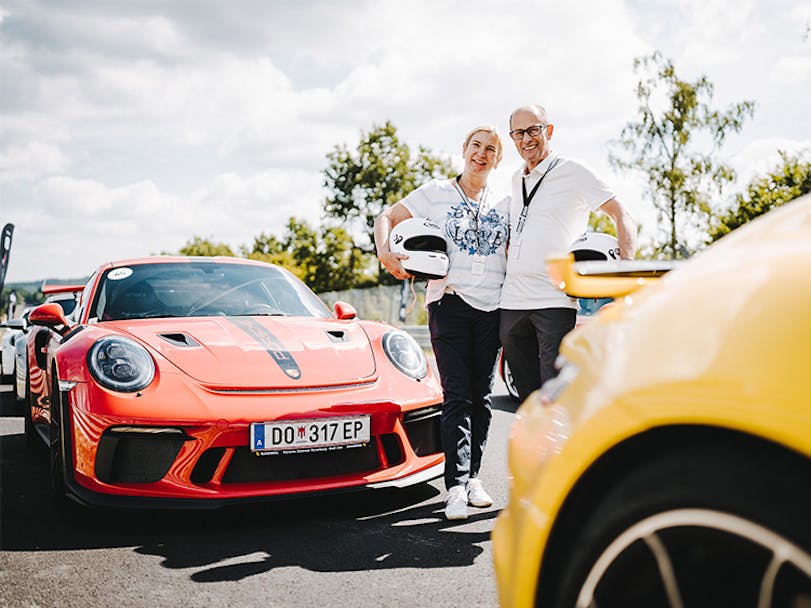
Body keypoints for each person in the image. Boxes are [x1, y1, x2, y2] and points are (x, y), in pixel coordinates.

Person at [374, 125, 510, 521]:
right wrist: (386, 253)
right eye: (476, 146)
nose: (481, 154)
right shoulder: (435, 193)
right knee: (456, 396)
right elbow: (388, 216)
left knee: (482, 398)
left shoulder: (505, 200)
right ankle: (454, 487)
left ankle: (473, 479)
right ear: (463, 150)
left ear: (498, 160)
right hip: (449, 304)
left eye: (490, 150)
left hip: (493, 306)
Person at [500, 104, 637, 402]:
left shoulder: (573, 171)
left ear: (548, 131)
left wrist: (625, 273)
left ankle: (561, 450)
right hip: (511, 301)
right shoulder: (515, 179)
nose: (526, 139)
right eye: (519, 133)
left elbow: (620, 213)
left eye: (533, 130)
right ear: (512, 138)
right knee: (527, 402)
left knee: (556, 400)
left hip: (554, 300)